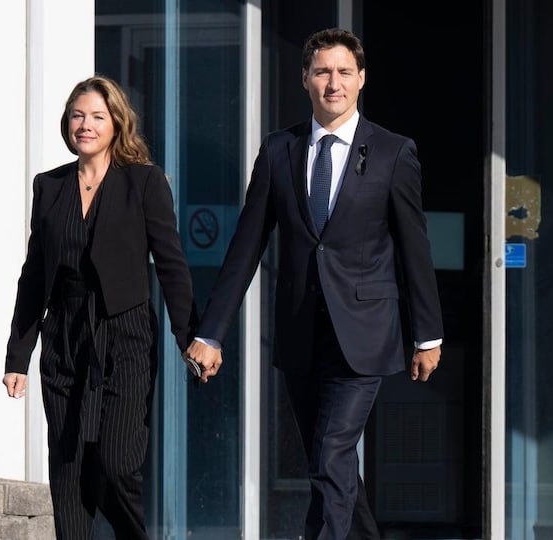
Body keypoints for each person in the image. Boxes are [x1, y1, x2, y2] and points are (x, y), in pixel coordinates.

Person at [186, 28, 444, 540]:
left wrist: (427, 335)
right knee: (334, 465)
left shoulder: (393, 152)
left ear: (362, 79)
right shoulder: (279, 151)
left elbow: (415, 249)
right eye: (323, 72)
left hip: (366, 335)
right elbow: (245, 248)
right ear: (305, 79)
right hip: (303, 335)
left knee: (331, 456)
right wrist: (211, 332)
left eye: (344, 72)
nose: (334, 83)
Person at [2, 75, 197, 539]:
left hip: (126, 335)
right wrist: (18, 356)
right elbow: (34, 277)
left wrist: (190, 337)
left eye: (96, 117)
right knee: (68, 473)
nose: (84, 125)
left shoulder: (143, 183)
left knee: (114, 461)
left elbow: (171, 264)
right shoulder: (48, 187)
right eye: (77, 115)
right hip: (64, 338)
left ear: (116, 125)